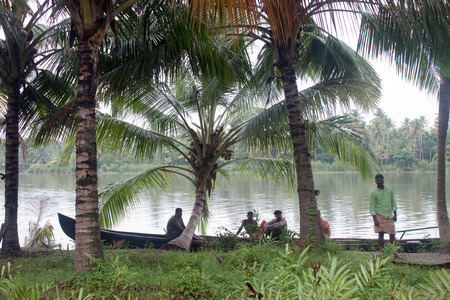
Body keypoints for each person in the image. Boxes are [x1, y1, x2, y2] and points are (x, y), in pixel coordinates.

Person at [370, 174, 397, 249]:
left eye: (381, 180)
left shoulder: (389, 190)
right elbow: (372, 207)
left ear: (383, 180)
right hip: (379, 216)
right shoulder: (374, 193)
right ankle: (383, 251)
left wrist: (395, 214)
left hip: (389, 215)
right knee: (381, 234)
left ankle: (393, 252)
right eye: (378, 180)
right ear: (375, 181)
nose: (379, 181)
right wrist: (375, 220)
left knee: (392, 233)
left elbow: (393, 202)